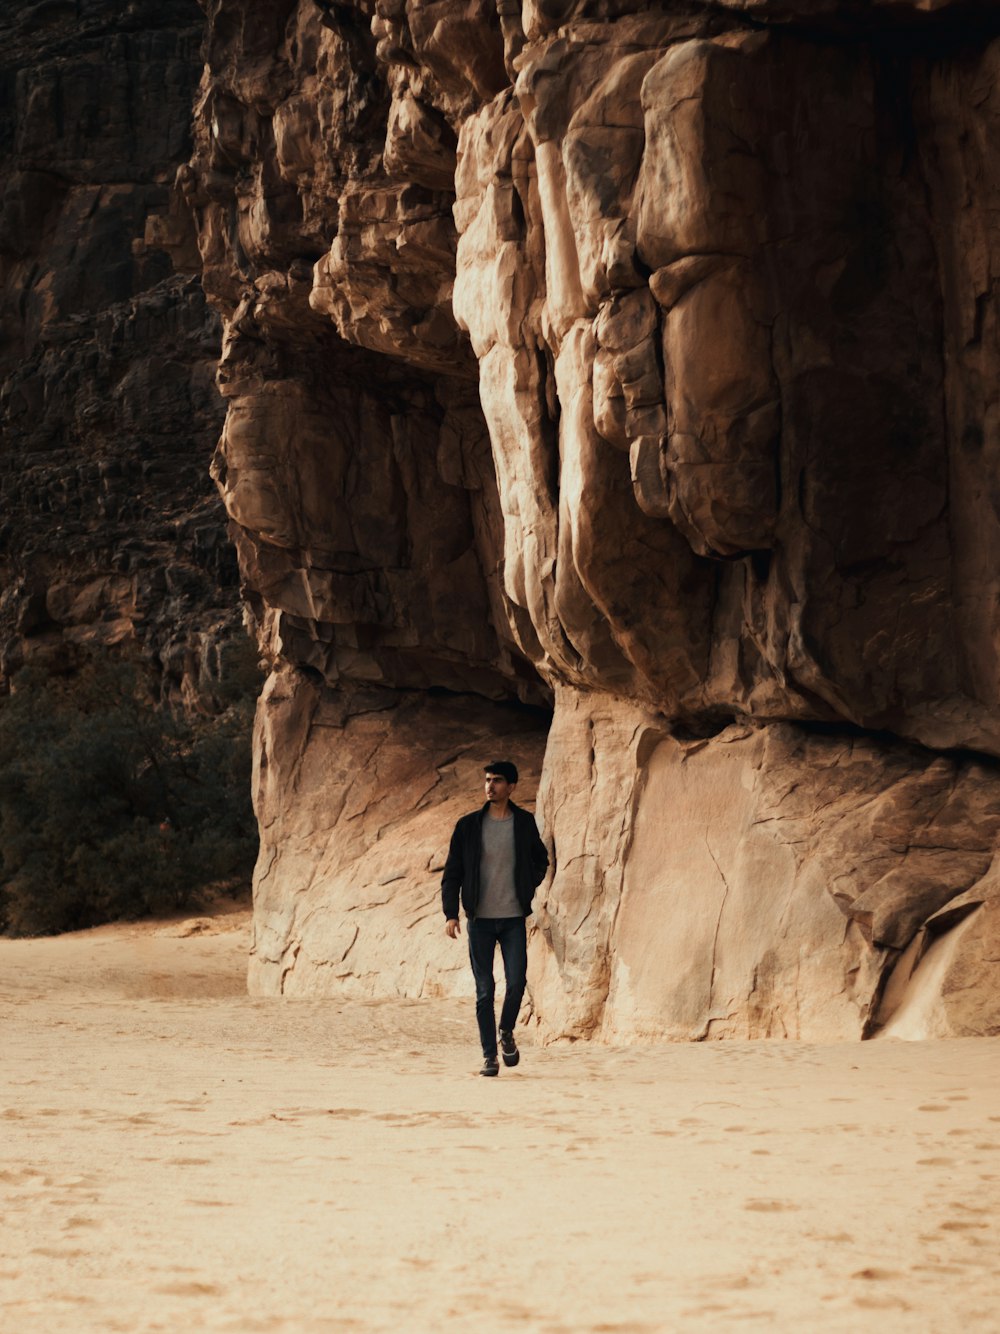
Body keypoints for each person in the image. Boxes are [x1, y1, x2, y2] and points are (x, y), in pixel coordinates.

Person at [442, 761, 549, 1076]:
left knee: (516, 982)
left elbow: (540, 860)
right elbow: (453, 873)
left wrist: (527, 887)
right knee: (485, 990)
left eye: (498, 781)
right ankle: (490, 1056)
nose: (490, 786)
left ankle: (506, 1031)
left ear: (512, 787)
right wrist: (451, 913)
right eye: (487, 780)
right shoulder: (468, 826)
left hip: (514, 917)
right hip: (480, 922)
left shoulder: (525, 823)